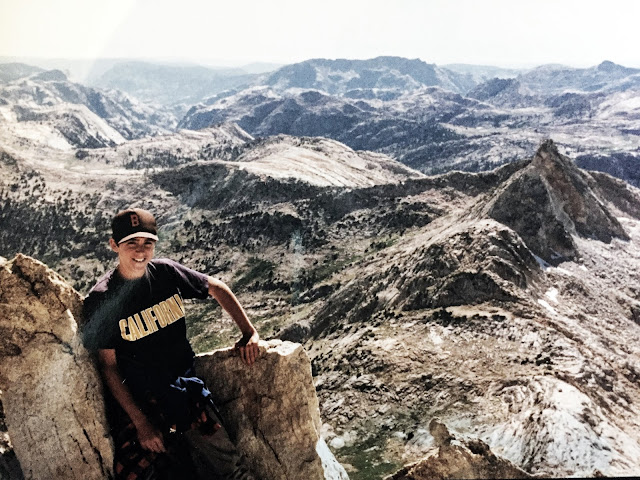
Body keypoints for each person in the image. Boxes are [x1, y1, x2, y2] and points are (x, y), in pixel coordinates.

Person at [83, 208, 259, 480]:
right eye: (131, 243)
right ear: (114, 245)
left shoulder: (166, 273)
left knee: (231, 470)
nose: (140, 251)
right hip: (144, 402)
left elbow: (216, 288)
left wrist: (249, 332)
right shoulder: (103, 299)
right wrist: (141, 423)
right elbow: (109, 367)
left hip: (184, 392)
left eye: (147, 243)